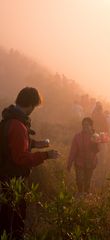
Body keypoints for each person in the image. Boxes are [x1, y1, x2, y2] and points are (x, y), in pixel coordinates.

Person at [0, 87, 59, 239]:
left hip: (4, 177)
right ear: (31, 105)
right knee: (13, 223)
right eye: (35, 106)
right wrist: (46, 155)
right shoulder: (18, 126)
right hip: (13, 181)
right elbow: (21, 158)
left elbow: (11, 144)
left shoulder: (9, 120)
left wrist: (35, 144)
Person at [67, 117, 99, 195]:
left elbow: (98, 150)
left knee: (87, 181)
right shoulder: (77, 137)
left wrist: (98, 142)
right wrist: (69, 163)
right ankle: (80, 193)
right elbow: (73, 151)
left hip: (91, 163)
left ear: (91, 126)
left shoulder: (95, 136)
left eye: (87, 125)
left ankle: (86, 195)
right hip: (79, 162)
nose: (85, 127)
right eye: (84, 125)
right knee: (79, 180)